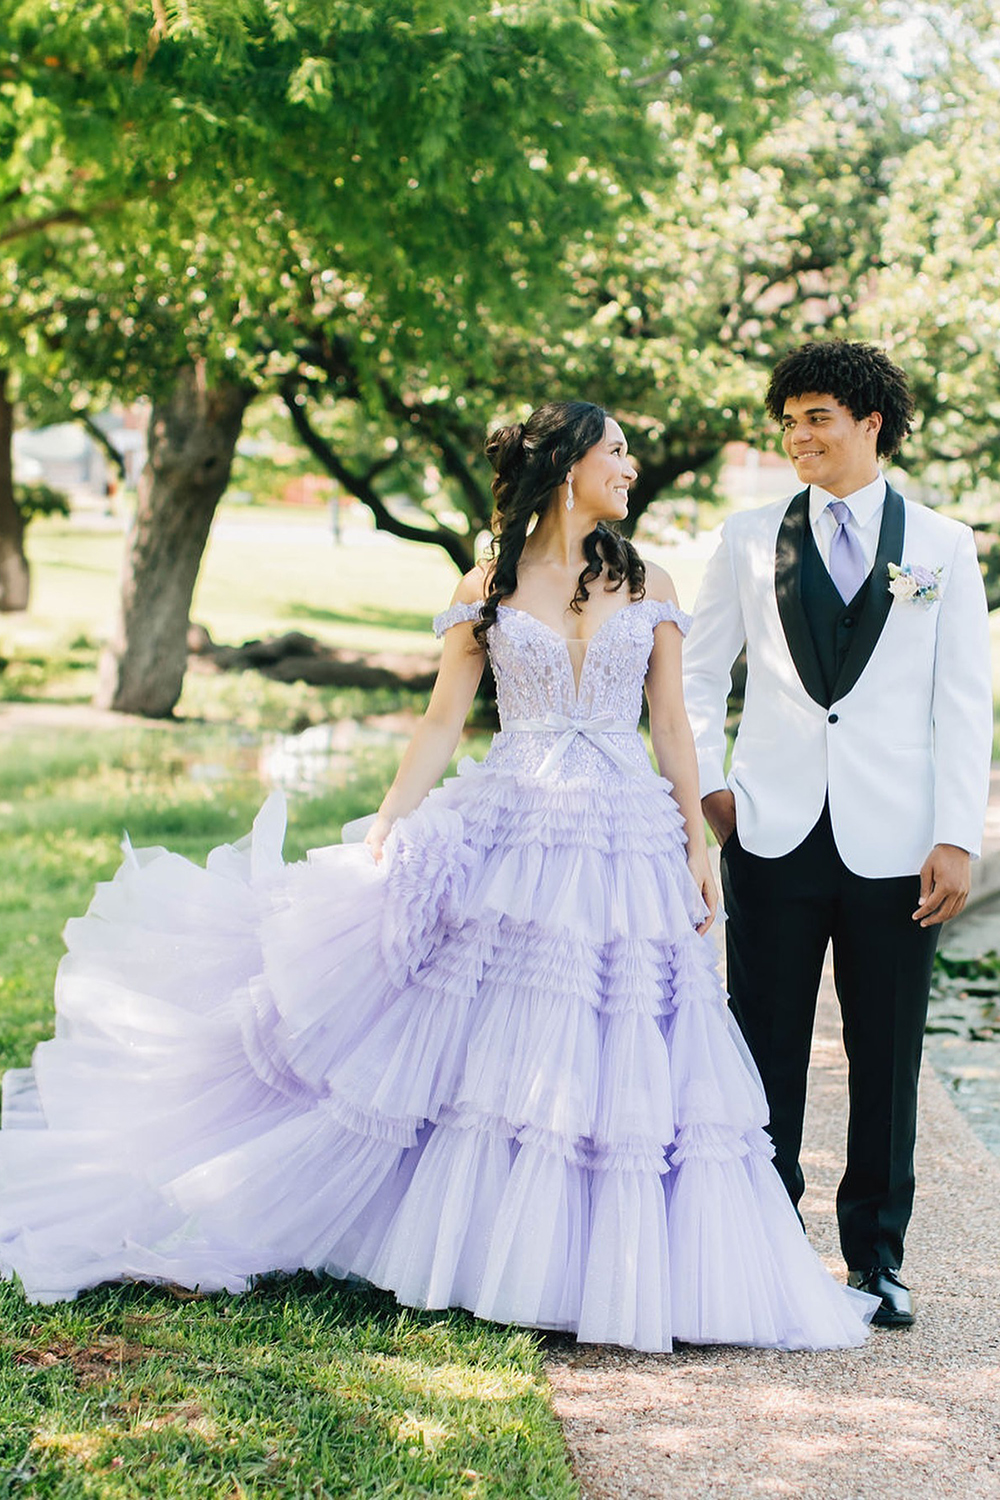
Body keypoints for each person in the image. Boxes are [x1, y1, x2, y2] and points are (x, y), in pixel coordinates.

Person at [0, 401, 878, 1351]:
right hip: (518, 818)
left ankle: (615, 1266)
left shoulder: (651, 580)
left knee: (631, 1034)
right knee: (496, 1039)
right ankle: (486, 1245)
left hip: (624, 830)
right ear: (567, 466)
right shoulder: (490, 583)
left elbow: (671, 728)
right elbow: (440, 721)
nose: (631, 466)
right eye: (616, 452)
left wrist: (695, 849)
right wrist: (388, 821)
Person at [683, 343, 994, 1329]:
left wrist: (956, 833)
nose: (797, 436)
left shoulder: (940, 546)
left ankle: (877, 1258)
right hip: (769, 830)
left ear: (869, 421)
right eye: (786, 420)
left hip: (898, 841)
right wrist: (708, 792)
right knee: (762, 1043)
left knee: (888, 1050)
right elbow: (694, 675)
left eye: (815, 416)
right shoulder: (743, 537)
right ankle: (763, 1247)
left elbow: (963, 701)